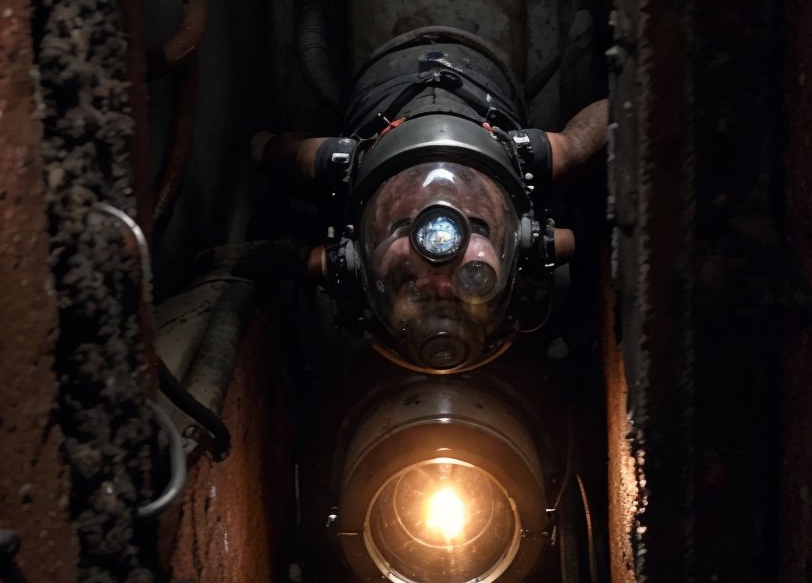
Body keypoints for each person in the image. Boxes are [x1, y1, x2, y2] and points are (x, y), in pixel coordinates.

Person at [250, 27, 608, 374]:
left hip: (388, 77)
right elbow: (598, 126)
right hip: (477, 76)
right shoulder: (534, 158)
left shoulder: (336, 163)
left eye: (409, 280)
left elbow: (268, 149)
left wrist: (269, 151)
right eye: (472, 281)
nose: (439, 281)